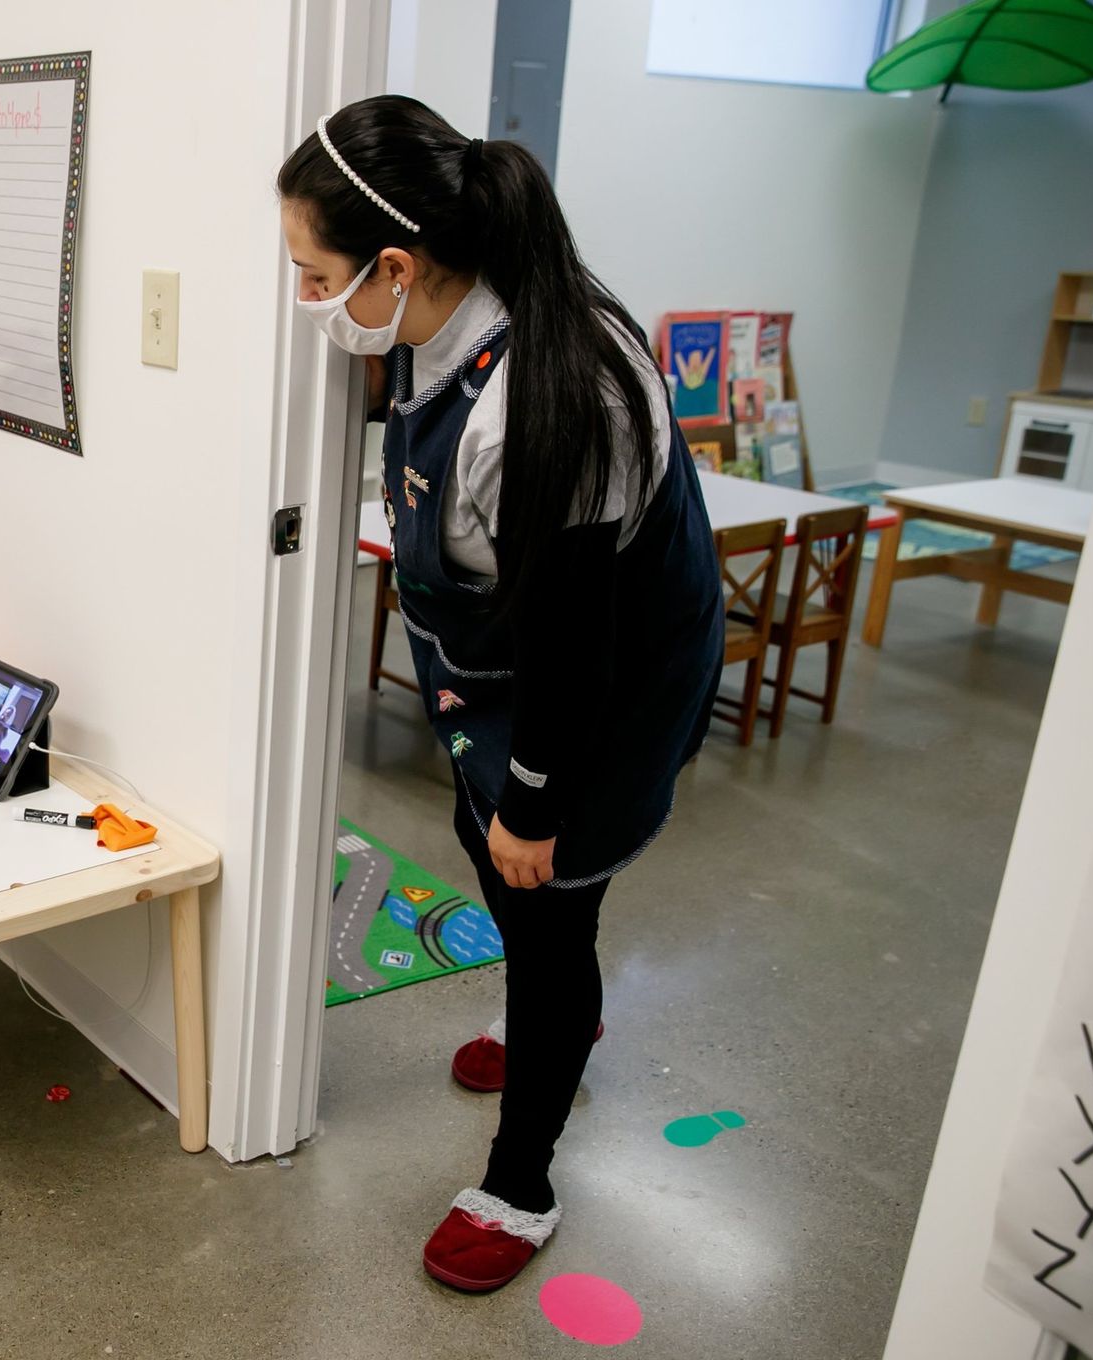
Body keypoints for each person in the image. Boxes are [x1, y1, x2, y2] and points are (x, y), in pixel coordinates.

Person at [277, 97, 722, 1292]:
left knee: (550, 899)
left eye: (313, 275)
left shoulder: (549, 406)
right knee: (496, 857)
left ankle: (522, 1181)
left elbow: (576, 652)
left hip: (605, 683)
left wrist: (535, 802)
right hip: (502, 665)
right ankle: (541, 1014)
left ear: (396, 265)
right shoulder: (438, 314)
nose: (306, 300)